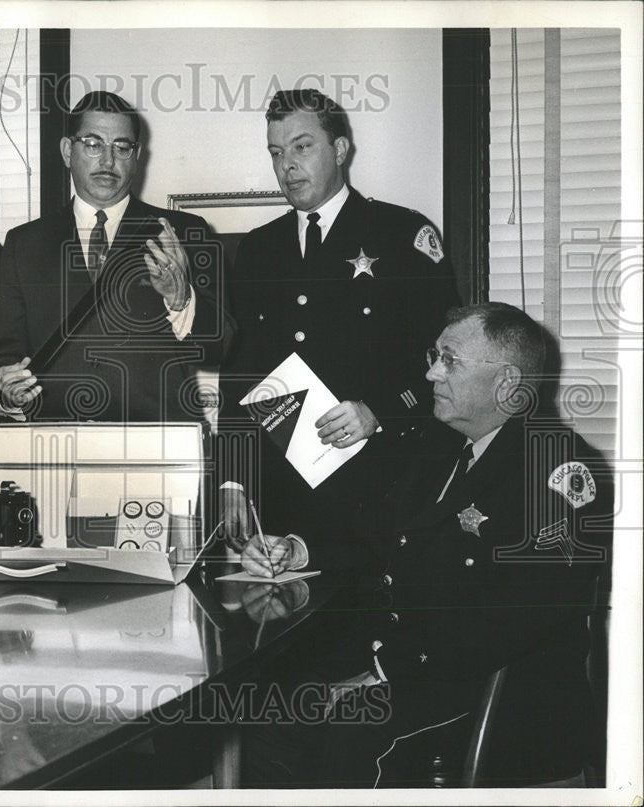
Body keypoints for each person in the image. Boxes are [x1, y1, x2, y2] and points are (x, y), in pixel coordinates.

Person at [239, 302, 612, 787]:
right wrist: (295, 549)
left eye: (450, 360)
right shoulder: (439, 445)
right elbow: (378, 533)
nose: (432, 372)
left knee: (344, 734)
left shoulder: (558, 471)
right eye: (434, 356)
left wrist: (381, 671)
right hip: (418, 668)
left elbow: (510, 622)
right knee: (260, 717)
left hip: (499, 702)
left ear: (507, 382)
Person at [217, 88, 460, 553]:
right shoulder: (257, 250)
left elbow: (446, 359)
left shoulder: (401, 234)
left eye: (302, 147)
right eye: (276, 152)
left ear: (340, 150)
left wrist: (379, 411)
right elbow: (240, 372)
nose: (287, 165)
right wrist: (233, 479)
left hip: (379, 486)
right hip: (280, 490)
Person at [0, 91, 227, 422]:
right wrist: (8, 396)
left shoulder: (182, 232)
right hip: (57, 449)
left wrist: (182, 300)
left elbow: (222, 348)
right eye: (93, 145)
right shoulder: (24, 244)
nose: (108, 161)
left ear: (137, 156)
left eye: (122, 148)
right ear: (68, 151)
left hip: (159, 450)